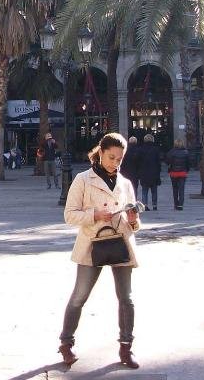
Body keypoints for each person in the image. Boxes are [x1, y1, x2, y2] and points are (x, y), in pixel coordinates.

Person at [58, 133, 141, 369]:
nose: (115, 163)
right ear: (101, 152)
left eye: (120, 159)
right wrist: (94, 214)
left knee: (127, 298)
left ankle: (126, 347)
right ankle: (66, 343)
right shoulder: (83, 180)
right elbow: (69, 215)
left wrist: (134, 218)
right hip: (91, 243)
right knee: (79, 297)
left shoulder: (125, 183)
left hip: (120, 243)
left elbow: (134, 224)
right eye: (112, 157)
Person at [137, 134, 161, 211]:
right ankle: (155, 205)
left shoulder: (140, 149)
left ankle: (145, 205)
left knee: (144, 191)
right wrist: (158, 171)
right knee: (154, 191)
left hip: (144, 173)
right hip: (154, 172)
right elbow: (158, 162)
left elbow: (138, 162)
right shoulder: (156, 149)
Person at [166, 138, 190, 211]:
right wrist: (187, 170)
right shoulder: (186, 152)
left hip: (173, 173)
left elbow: (167, 161)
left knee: (175, 189)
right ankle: (180, 205)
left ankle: (176, 204)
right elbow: (188, 163)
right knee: (181, 189)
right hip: (183, 173)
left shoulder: (171, 152)